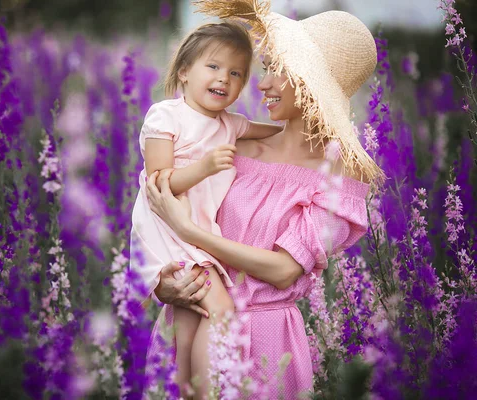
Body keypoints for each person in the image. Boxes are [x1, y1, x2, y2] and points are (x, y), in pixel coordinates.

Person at [145, 2, 385, 398]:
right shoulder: (230, 141)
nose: (262, 83)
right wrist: (163, 284)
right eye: (267, 67)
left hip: (266, 340)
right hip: (192, 312)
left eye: (278, 71)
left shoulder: (340, 175)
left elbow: (283, 271)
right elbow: (163, 208)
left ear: (309, 82)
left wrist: (189, 230)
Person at [130, 21, 281, 397]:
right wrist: (205, 166)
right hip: (169, 228)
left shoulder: (230, 124)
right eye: (213, 67)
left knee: (188, 316)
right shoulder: (165, 116)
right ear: (184, 71)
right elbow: (159, 184)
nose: (224, 79)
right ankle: (204, 392)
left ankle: (177, 389)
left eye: (236, 74)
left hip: (195, 233)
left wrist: (308, 130)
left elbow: (277, 132)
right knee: (221, 310)